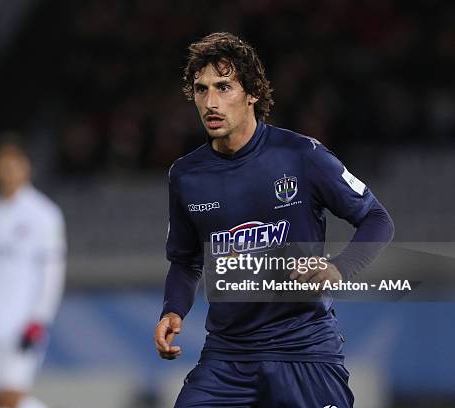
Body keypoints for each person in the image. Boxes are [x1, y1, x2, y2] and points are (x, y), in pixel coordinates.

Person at [153, 32, 394, 407]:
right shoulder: (186, 175)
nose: (211, 102)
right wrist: (173, 309)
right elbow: (185, 261)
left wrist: (340, 268)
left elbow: (377, 219)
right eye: (201, 90)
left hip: (303, 349)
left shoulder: (302, 155)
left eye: (224, 87)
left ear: (252, 93)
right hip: (227, 357)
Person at [0, 134, 66, 408]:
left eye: (12, 164)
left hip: (20, 323)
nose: (6, 171)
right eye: (0, 164)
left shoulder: (44, 214)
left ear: (26, 167)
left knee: (10, 397)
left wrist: (39, 319)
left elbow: (52, 274)